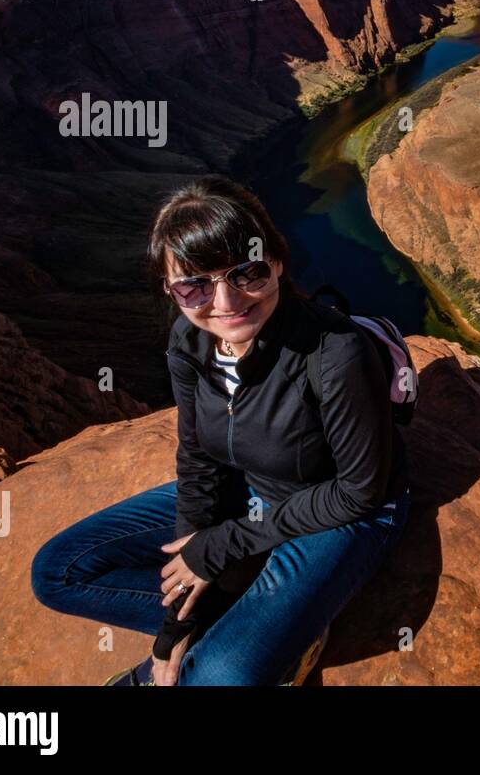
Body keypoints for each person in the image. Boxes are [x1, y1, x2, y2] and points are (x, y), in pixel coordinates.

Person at [30, 176, 412, 685]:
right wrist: (175, 622)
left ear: (276, 261)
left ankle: (282, 634)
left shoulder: (334, 351)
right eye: (193, 285)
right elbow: (199, 458)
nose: (225, 301)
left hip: (343, 511)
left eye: (247, 273)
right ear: (171, 289)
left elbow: (359, 491)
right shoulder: (189, 340)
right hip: (253, 483)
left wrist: (222, 545)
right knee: (59, 572)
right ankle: (255, 625)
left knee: (218, 678)